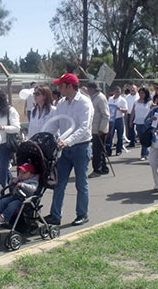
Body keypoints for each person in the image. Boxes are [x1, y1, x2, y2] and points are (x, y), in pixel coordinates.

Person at [43, 73, 93, 226]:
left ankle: (82, 214)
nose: (58, 88)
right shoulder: (62, 103)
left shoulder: (85, 103)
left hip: (80, 148)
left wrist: (68, 141)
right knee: (59, 183)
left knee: (81, 183)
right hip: (64, 149)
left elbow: (84, 128)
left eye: (61, 85)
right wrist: (45, 137)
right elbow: (55, 123)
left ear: (69, 86)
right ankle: (55, 215)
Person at [87, 82, 110, 177]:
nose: (88, 90)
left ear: (93, 89)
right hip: (94, 128)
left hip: (99, 129)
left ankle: (97, 170)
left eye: (89, 89)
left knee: (97, 151)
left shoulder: (100, 98)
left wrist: (102, 129)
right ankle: (103, 168)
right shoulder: (93, 97)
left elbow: (106, 115)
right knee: (99, 150)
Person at [130, 87, 152, 161]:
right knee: (141, 138)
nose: (141, 94)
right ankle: (146, 151)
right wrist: (131, 121)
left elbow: (153, 111)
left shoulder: (149, 102)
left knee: (144, 138)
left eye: (142, 93)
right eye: (140, 93)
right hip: (138, 122)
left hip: (146, 123)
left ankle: (143, 154)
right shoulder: (136, 102)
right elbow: (133, 112)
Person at [106, 86, 127, 156]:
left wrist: (120, 108)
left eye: (119, 92)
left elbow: (126, 110)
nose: (117, 93)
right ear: (113, 92)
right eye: (116, 91)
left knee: (119, 135)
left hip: (119, 119)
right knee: (110, 135)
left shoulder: (122, 100)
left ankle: (119, 150)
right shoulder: (110, 99)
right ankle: (108, 151)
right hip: (111, 119)